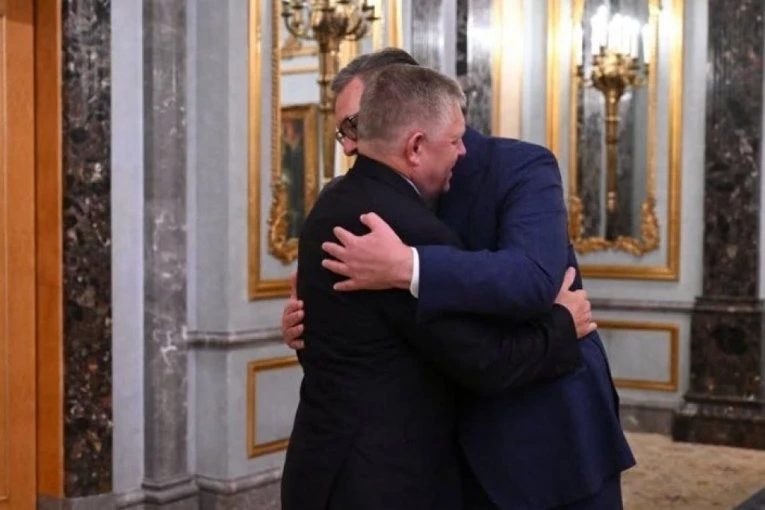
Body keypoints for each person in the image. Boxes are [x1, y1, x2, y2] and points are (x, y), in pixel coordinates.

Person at [282, 48, 635, 509]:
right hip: (431, 457)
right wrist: (307, 325)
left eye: (355, 125)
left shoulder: (520, 168)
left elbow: (532, 278)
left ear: (407, 110)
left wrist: (409, 267)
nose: (350, 146)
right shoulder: (362, 201)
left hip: (545, 440)